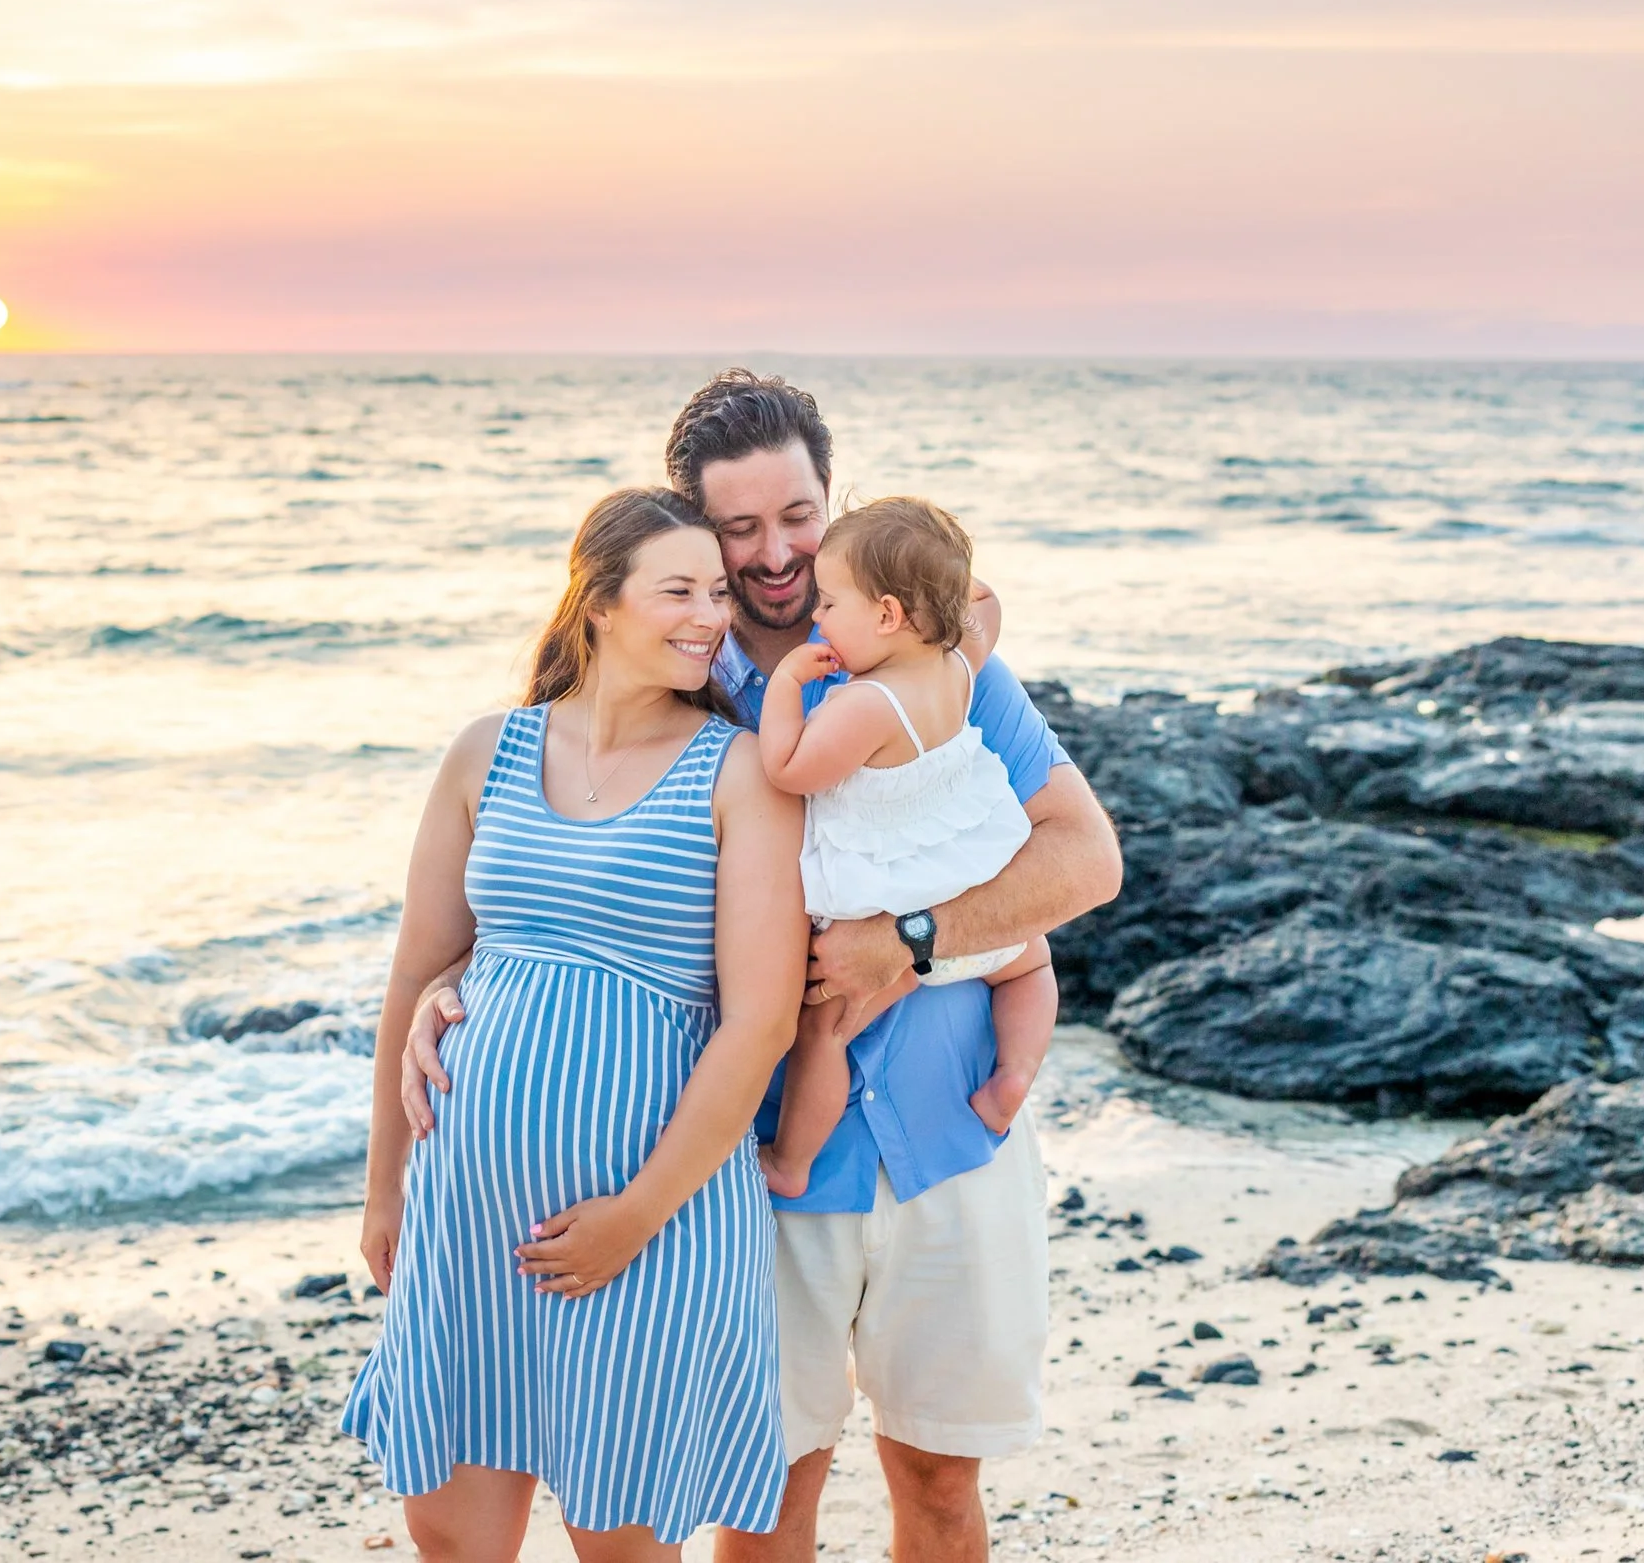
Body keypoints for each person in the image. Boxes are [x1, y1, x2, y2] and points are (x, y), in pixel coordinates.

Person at [407, 372, 1125, 1563]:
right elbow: (562, 869)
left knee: (942, 1482)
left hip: (953, 1130)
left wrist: (910, 939)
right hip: (756, 1162)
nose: (777, 551)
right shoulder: (677, 682)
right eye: (740, 529)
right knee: (764, 1497)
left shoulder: (941, 669)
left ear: (830, 499)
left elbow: (1086, 857)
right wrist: (459, 982)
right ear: (698, 534)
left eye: (797, 515)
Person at [343, 487, 809, 1562]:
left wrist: (636, 1213)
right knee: (452, 1540)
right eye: (678, 589)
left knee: (621, 1547)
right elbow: (418, 968)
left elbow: (761, 1022)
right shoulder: (485, 752)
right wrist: (384, 1185)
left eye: (720, 593)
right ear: (597, 602)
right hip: (466, 1220)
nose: (710, 616)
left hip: (656, 1226)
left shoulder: (737, 771)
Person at [754, 496, 1059, 1198]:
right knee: (1028, 962)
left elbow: (788, 767)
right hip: (964, 893)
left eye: (830, 603)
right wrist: (938, 580)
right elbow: (984, 602)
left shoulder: (863, 705)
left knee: (824, 1031)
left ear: (888, 615)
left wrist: (787, 683)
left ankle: (792, 1161)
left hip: (885, 907)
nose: (816, 618)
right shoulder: (960, 664)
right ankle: (1011, 1077)